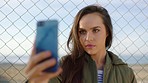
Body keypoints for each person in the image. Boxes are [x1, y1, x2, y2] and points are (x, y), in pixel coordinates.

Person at [25, 5, 137, 83]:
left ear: (107, 32)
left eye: (96, 30)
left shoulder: (125, 73)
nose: (88, 38)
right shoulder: (64, 67)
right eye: (82, 32)